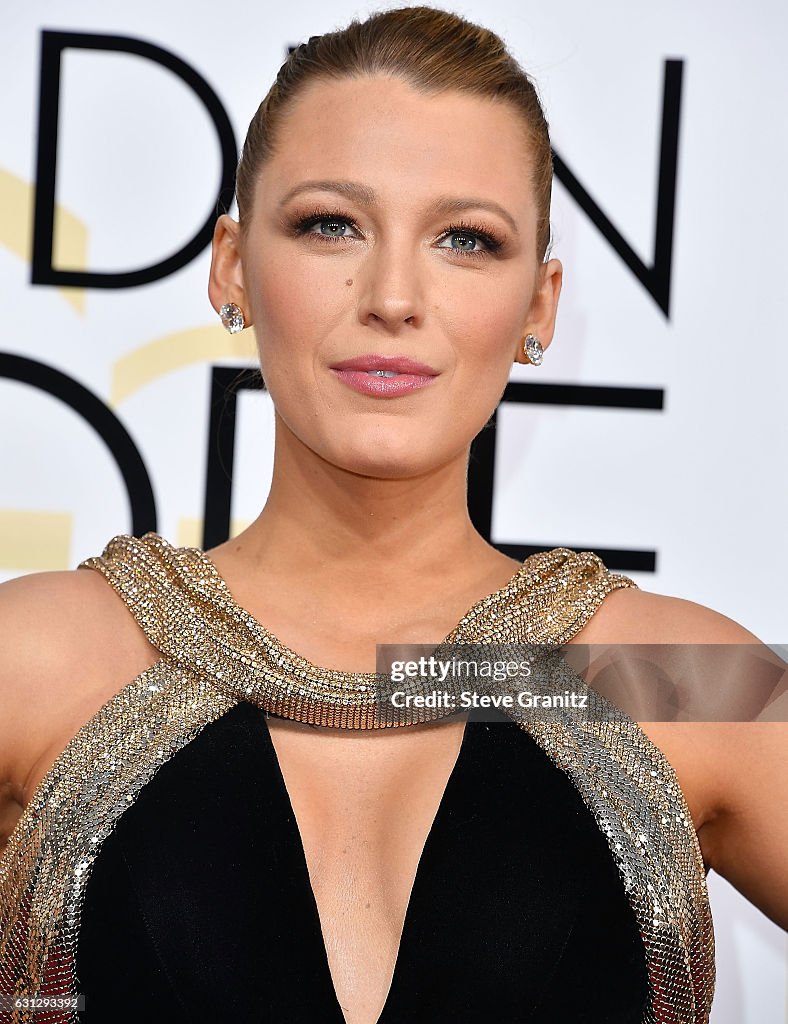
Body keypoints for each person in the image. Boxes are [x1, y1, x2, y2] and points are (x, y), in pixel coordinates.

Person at [0, 6, 785, 1023]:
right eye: (331, 223)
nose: (393, 295)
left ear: (538, 306)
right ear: (232, 265)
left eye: (466, 239)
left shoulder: (676, 677)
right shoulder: (42, 660)